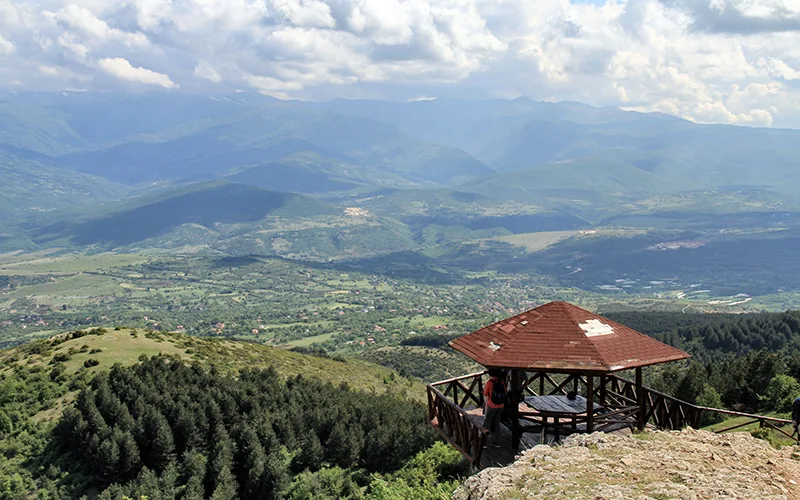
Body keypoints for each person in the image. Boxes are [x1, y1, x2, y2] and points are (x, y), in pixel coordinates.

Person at [483, 369, 506, 447]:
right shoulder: (501, 382)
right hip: (500, 406)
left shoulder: (490, 383)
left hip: (491, 405)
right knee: (496, 423)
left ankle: (484, 442)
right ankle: (496, 442)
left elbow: (485, 393)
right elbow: (505, 392)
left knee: (487, 423)